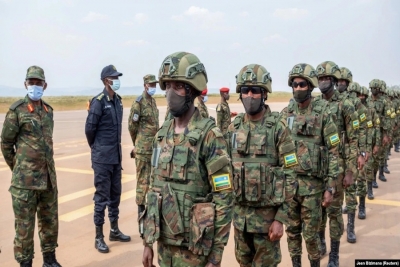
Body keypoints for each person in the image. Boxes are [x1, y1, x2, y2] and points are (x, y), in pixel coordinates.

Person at [141, 51, 233, 267]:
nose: (171, 93)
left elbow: (224, 198)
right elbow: (153, 189)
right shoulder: (161, 135)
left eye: (179, 86)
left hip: (195, 250)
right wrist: (148, 241)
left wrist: (216, 255)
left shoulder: (210, 136)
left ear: (192, 90)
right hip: (164, 248)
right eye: (168, 86)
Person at [227, 64, 298, 267]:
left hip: (267, 223)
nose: (250, 95)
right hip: (240, 222)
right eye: (245, 90)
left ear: (264, 93)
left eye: (255, 91)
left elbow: (291, 176)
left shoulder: (278, 128)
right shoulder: (234, 128)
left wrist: (281, 219)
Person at [1, 66, 61, 267]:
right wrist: (19, 168)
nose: (35, 86)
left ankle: (49, 260)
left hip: (48, 181)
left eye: (38, 82)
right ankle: (25, 263)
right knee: (25, 228)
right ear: (25, 84)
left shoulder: (48, 111)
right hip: (25, 183)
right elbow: (6, 143)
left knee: (50, 223)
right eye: (31, 82)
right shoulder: (16, 110)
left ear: (45, 85)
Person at [281, 63, 339, 267]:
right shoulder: (286, 112)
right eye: (295, 85)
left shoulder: (323, 112)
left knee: (312, 235)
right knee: (292, 232)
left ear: (311, 86)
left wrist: (330, 187)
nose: (298, 88)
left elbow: (333, 151)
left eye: (302, 84)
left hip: (313, 189)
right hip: (290, 187)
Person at [314, 61, 361, 266]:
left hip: (337, 168)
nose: (323, 82)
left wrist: (350, 170)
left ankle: (335, 254)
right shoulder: (314, 104)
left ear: (333, 81)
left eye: (326, 79)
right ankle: (322, 242)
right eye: (320, 78)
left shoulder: (345, 105)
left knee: (334, 212)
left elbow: (353, 139)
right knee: (319, 211)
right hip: (316, 168)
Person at [85, 65, 130, 254]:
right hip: (103, 159)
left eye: (117, 77)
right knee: (101, 198)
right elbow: (89, 130)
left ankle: (114, 230)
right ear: (105, 81)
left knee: (115, 195)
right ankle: (98, 237)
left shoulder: (118, 101)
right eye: (113, 77)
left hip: (115, 158)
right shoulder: (98, 102)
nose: (116, 80)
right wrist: (98, 150)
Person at [128, 74, 159, 236]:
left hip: (154, 150)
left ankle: (151, 222)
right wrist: (137, 143)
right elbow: (132, 126)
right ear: (145, 85)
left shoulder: (153, 102)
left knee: (153, 185)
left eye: (155, 84)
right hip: (142, 150)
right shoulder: (138, 103)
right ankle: (142, 226)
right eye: (151, 84)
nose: (153, 86)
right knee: (142, 186)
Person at [359, 85, 381, 203]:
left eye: (363, 95)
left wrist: (377, 144)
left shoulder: (371, 110)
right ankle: (351, 201)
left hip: (368, 145)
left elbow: (377, 127)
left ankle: (369, 189)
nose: (361, 97)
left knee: (368, 169)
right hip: (355, 146)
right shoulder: (353, 109)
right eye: (359, 95)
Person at [368, 79, 392, 188]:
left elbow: (387, 118)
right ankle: (368, 182)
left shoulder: (384, 102)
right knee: (368, 159)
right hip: (368, 132)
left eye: (376, 89)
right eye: (372, 88)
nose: (374, 90)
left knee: (377, 158)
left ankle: (375, 176)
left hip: (380, 133)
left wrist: (386, 134)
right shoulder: (367, 100)